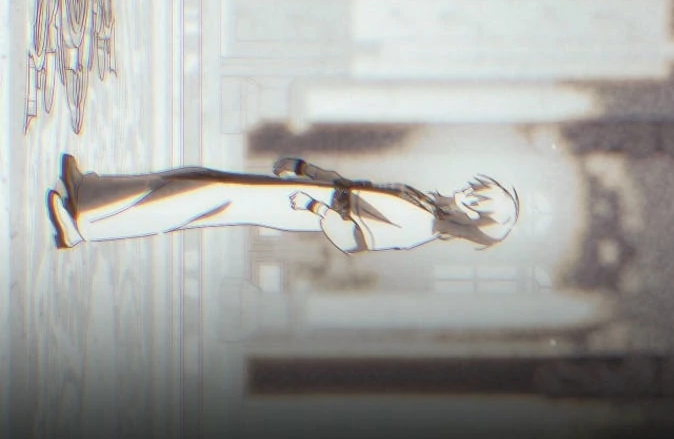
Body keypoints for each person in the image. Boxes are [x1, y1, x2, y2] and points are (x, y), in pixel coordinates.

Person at [46, 153, 520, 254]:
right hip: (309, 193)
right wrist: (308, 169)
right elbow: (357, 185)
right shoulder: (423, 202)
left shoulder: (419, 227)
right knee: (200, 178)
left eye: (473, 200)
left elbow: (353, 239)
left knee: (204, 199)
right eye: (473, 189)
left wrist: (315, 208)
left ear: (470, 220)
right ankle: (93, 194)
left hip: (302, 207)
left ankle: (86, 228)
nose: (463, 193)